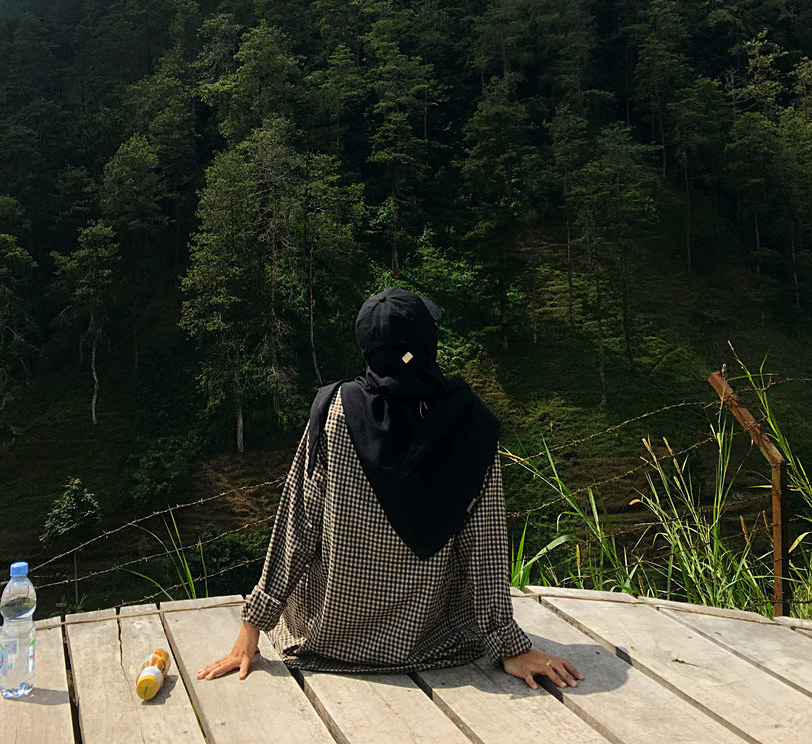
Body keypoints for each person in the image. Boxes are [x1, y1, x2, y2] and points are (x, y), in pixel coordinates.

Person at [196, 287, 580, 690]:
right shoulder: (472, 426)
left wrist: (254, 623)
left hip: (330, 639)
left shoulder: (335, 413)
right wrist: (509, 646)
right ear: (426, 347)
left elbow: (298, 528)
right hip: (431, 642)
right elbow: (483, 549)